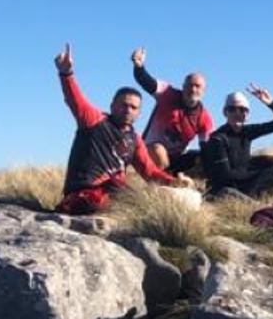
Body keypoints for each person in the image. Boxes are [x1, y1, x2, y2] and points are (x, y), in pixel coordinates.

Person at [53, 44, 189, 215]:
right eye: (123, 105)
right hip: (82, 195)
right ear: (112, 105)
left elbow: (150, 172)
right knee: (117, 193)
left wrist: (174, 182)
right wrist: (66, 73)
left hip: (114, 193)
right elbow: (75, 100)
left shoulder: (135, 139)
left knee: (137, 199)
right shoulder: (94, 120)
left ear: (139, 112)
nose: (128, 110)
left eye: (133, 107)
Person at [202, 87, 273, 204]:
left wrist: (271, 103)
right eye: (232, 109)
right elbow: (226, 175)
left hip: (246, 186)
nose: (237, 113)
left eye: (242, 109)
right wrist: (256, 172)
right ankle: (259, 208)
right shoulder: (218, 139)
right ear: (225, 112)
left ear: (247, 114)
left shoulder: (248, 132)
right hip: (224, 189)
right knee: (228, 192)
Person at [130, 47, 214, 172]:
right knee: (159, 150)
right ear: (183, 86)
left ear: (203, 91)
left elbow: (206, 147)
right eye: (190, 85)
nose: (193, 89)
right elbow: (146, 82)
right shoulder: (167, 94)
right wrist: (139, 66)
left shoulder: (204, 118)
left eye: (198, 86)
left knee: (199, 157)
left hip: (175, 158)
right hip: (149, 152)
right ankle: (162, 184)